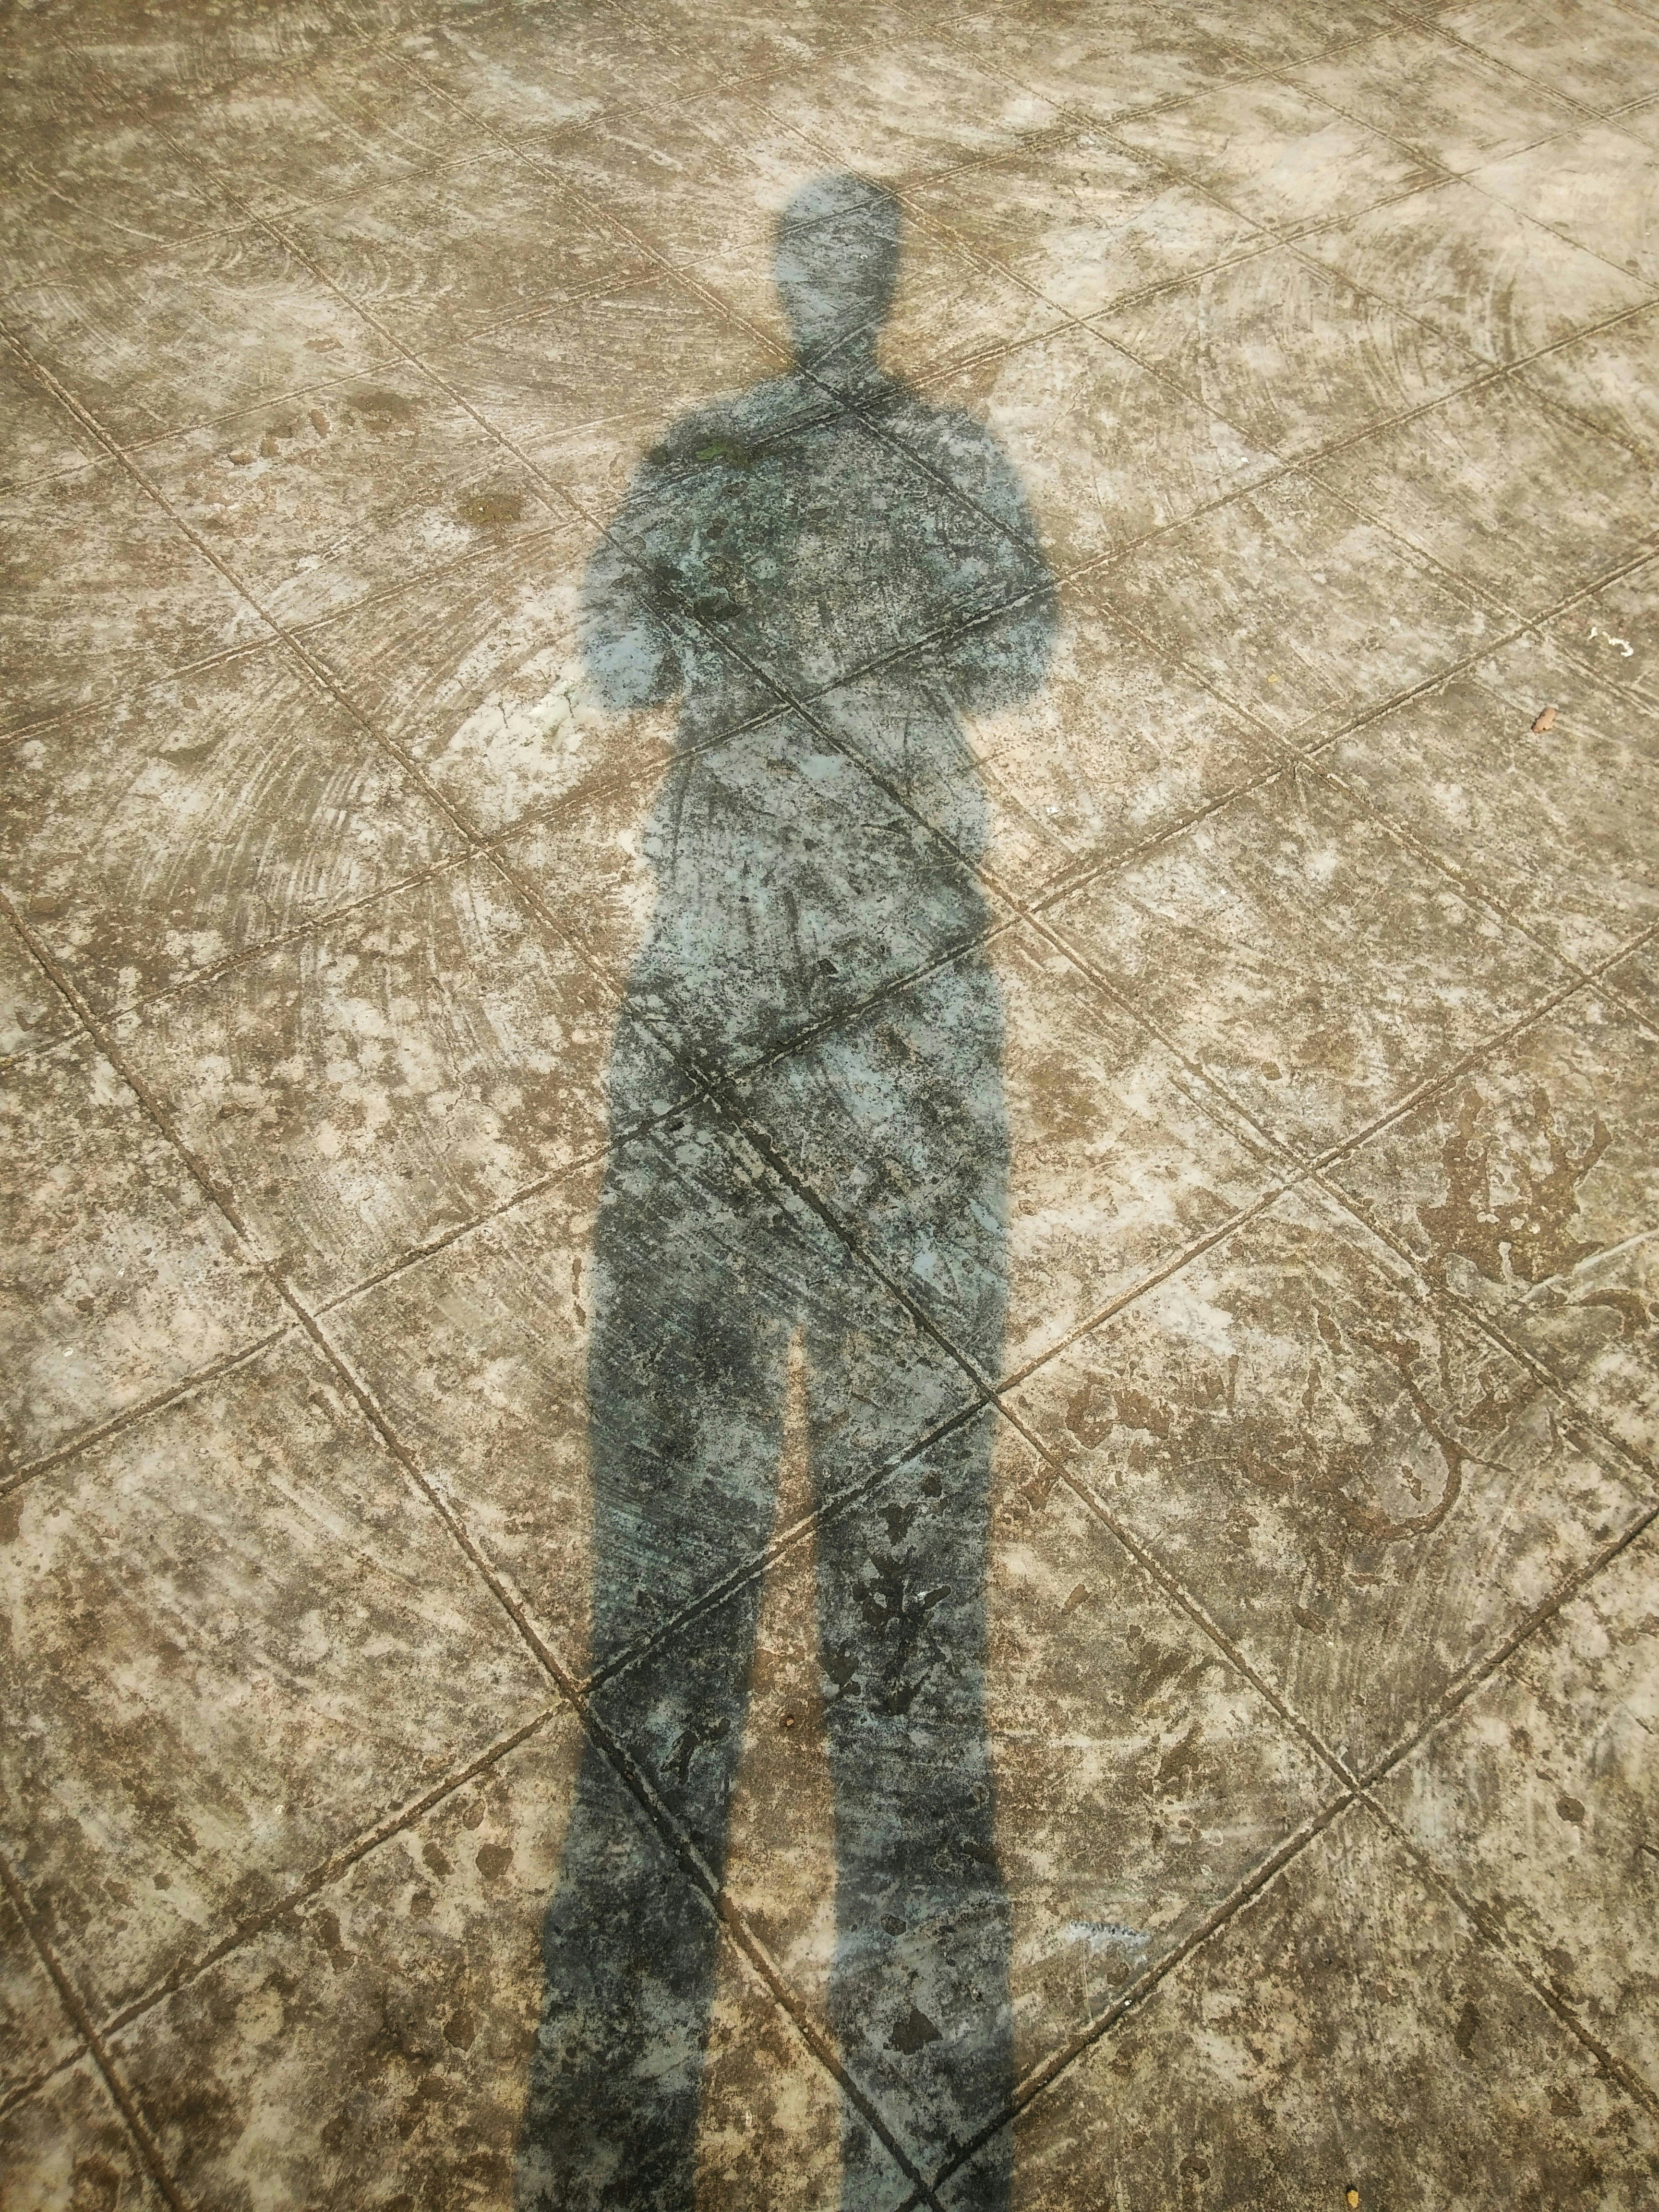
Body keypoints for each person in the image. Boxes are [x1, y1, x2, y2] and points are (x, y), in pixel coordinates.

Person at [517, 171, 1055, 2212]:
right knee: (917, 1665)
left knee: (669, 1616)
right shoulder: (955, 454)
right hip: (910, 995)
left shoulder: (700, 453)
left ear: (786, 283)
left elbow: (614, 667)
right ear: (883, 288)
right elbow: (1015, 656)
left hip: (722, 967)